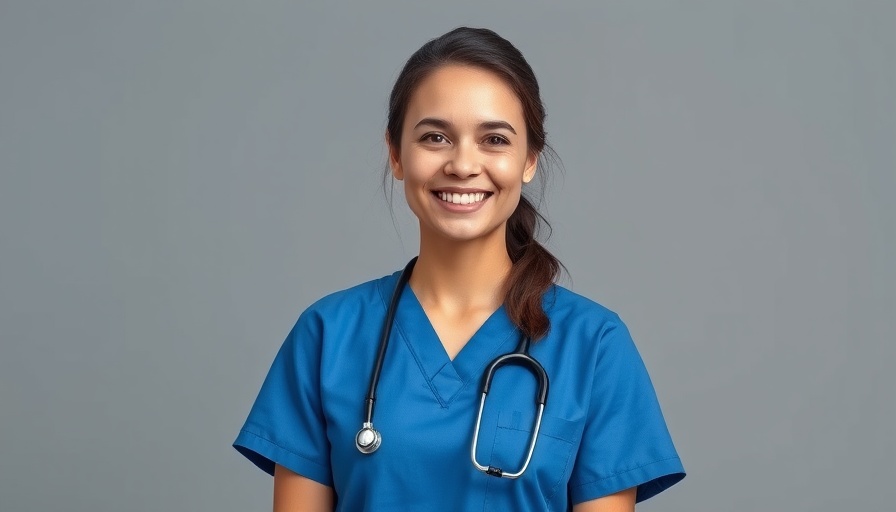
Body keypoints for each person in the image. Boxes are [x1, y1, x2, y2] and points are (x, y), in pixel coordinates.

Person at [233, 27, 685, 511]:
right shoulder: (328, 335)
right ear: (395, 154)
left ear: (529, 159)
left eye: (493, 139)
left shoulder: (594, 346)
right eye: (435, 137)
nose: (463, 164)